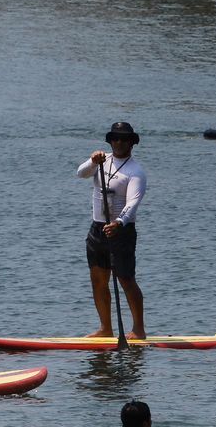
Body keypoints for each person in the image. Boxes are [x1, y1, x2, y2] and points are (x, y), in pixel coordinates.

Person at [78, 122, 147, 339]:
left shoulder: (135, 171)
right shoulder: (101, 161)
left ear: (131, 143)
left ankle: (138, 329)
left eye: (124, 139)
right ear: (110, 140)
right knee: (98, 280)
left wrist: (118, 222)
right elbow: (80, 173)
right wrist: (91, 161)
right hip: (97, 229)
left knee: (126, 279)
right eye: (115, 138)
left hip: (121, 231)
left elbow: (133, 203)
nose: (119, 142)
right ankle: (105, 329)